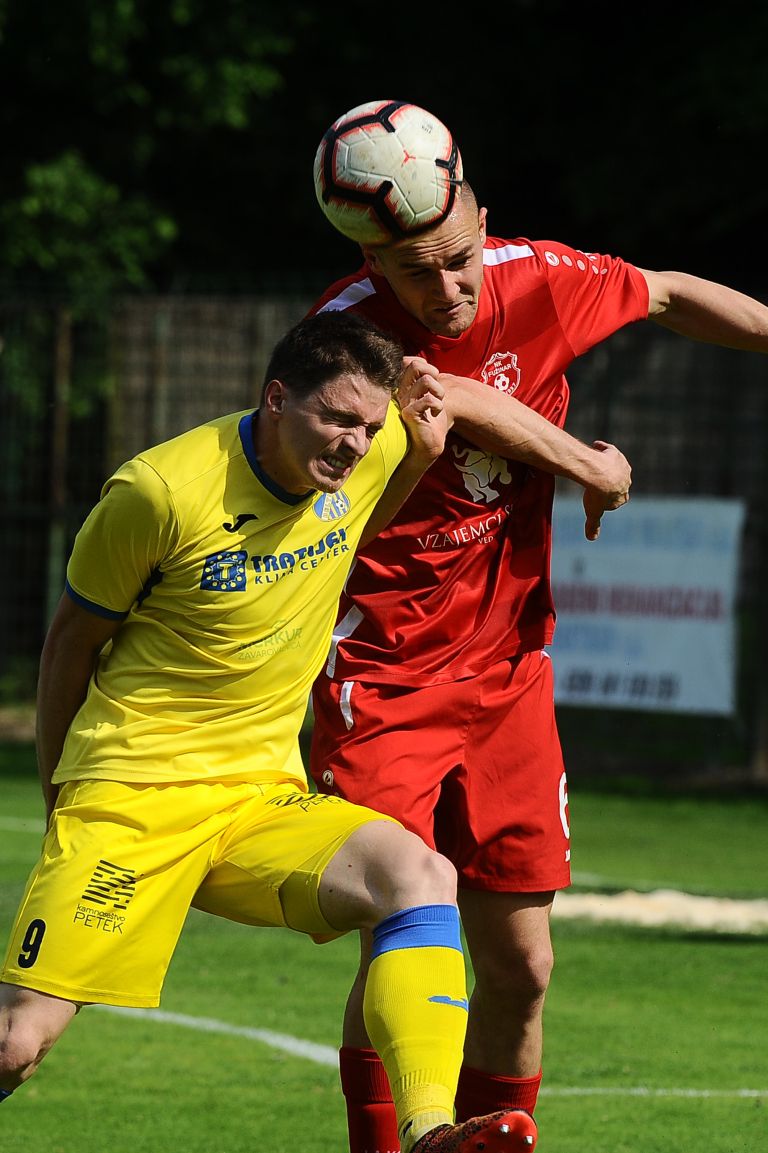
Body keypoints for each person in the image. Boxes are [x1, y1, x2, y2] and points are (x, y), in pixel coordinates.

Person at [307, 103, 768, 1153]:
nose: (445, 290)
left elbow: (668, 292)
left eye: (458, 260)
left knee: (523, 967)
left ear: (483, 218)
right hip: (383, 678)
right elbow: (452, 399)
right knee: (402, 937)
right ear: (372, 261)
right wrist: (585, 459)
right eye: (414, 272)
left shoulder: (538, 276)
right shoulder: (348, 333)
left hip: (510, 674)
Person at [0, 310, 541, 1153]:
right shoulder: (159, 491)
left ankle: (429, 1132)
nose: (356, 445)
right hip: (131, 798)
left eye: (372, 427)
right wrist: (62, 800)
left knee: (418, 873)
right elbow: (69, 647)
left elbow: (428, 436)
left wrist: (467, 452)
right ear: (277, 397)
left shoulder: (366, 456)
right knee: (17, 1042)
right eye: (338, 419)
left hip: (260, 797)